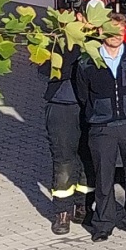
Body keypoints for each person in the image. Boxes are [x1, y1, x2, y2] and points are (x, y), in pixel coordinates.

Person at [75, 15, 126, 240]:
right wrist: (99, 110)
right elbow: (83, 93)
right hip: (102, 126)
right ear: (101, 32)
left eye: (121, 31)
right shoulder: (87, 60)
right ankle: (103, 224)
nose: (117, 36)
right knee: (103, 177)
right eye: (112, 31)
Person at [41, 17, 87, 235]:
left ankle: (82, 205)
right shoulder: (57, 39)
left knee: (87, 158)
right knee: (63, 161)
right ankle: (62, 212)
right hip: (62, 107)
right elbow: (45, 69)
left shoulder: (100, 41)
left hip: (90, 107)